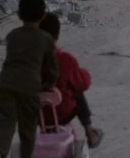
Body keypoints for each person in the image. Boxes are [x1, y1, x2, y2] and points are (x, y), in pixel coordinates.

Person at [0, 0, 58, 158]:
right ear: (43, 16)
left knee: (5, 121)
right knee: (27, 128)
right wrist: (48, 85)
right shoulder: (45, 38)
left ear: (19, 15)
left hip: (5, 83)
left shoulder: (12, 36)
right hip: (29, 86)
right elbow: (52, 69)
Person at [38, 14, 104, 150]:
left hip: (36, 113)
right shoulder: (65, 60)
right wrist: (83, 73)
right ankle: (90, 132)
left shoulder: (29, 60)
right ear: (57, 35)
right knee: (77, 91)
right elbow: (83, 83)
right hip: (63, 112)